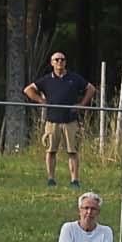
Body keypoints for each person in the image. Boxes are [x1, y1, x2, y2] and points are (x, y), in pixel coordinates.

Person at [27, 55, 92, 184]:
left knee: (72, 151)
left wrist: (82, 104)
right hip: (52, 121)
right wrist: (41, 100)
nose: (60, 62)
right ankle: (51, 179)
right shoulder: (46, 80)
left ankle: (75, 180)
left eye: (62, 59)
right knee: (51, 151)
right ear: (52, 63)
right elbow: (28, 90)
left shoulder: (74, 78)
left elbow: (91, 89)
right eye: (56, 60)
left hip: (70, 121)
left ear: (65, 62)